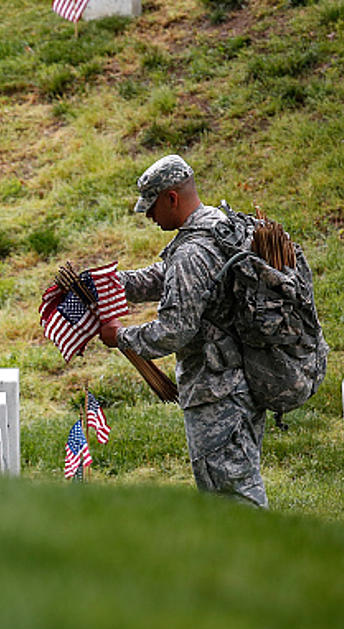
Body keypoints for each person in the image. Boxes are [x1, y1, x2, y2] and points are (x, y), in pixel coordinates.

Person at [98, 154, 268, 508]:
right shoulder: (217, 226)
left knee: (232, 498)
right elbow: (170, 277)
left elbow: (174, 331)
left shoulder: (193, 250)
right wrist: (115, 284)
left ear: (171, 198)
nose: (148, 215)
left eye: (152, 206)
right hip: (239, 383)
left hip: (216, 392)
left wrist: (121, 337)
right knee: (235, 488)